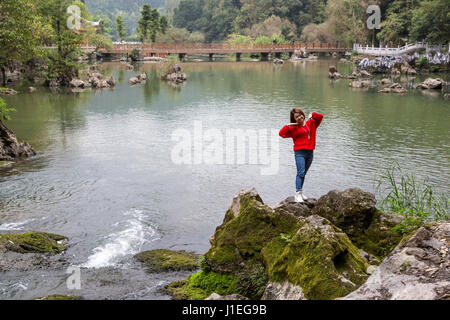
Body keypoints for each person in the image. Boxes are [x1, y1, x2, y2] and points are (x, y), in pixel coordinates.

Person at [279, 108, 324, 203]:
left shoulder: (311, 123)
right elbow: (281, 134)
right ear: (294, 119)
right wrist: (288, 125)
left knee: (303, 174)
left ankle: (301, 193)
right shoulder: (293, 128)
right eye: (297, 117)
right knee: (301, 172)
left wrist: (312, 114)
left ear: (303, 114)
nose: (299, 117)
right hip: (300, 153)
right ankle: (297, 194)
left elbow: (320, 117)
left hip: (310, 152)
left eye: (300, 115)